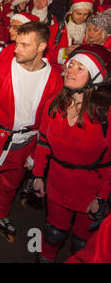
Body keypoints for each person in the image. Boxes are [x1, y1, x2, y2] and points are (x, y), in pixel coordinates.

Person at [0, 22, 63, 240]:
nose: (16, 49)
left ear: (41, 47)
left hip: (26, 144)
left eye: (23, 45)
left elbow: (48, 124)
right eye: (16, 43)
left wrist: (35, 155)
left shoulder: (54, 79)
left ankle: (0, 214)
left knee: (10, 185)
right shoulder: (0, 71)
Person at [32, 44, 111, 263]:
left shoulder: (106, 115)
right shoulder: (54, 105)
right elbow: (44, 143)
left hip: (90, 192)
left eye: (80, 68)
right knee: (52, 233)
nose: (70, 71)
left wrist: (102, 197)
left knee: (82, 243)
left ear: (96, 77)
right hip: (57, 184)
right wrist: (38, 176)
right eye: (70, 65)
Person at [51, 0, 94, 65]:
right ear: (71, 11)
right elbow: (48, 54)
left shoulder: (89, 30)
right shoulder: (56, 28)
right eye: (78, 13)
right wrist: (65, 52)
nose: (81, 17)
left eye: (85, 14)